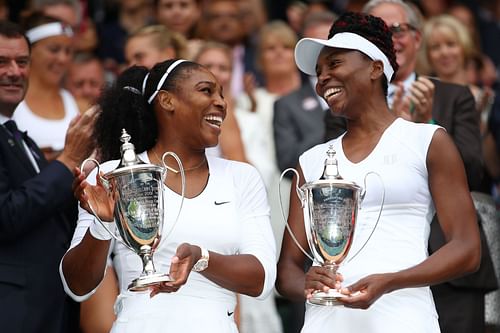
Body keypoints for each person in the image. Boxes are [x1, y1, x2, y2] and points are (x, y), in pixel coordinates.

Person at [276, 11, 481, 332]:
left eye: (334, 64)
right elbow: (287, 268)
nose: (323, 79)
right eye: (318, 73)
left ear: (375, 67)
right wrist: (304, 282)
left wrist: (392, 281)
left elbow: (468, 249)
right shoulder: (311, 161)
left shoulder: (427, 140)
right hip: (326, 322)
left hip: (404, 318)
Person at [60, 59, 277, 332]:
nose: (221, 102)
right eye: (206, 91)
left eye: (221, 93)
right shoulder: (112, 175)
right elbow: (77, 286)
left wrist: (201, 258)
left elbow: (263, 279)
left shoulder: (243, 177)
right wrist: (103, 226)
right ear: (166, 101)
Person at [361, 1, 499, 332]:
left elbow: (475, 171)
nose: (391, 39)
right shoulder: (347, 106)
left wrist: (428, 129)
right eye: (379, 31)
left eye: (398, 30)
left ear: (418, 38)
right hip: (373, 270)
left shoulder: (454, 96)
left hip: (451, 266)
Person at [0, 20, 97, 332]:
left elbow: (44, 214)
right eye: (1, 62)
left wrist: (83, 186)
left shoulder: (18, 137)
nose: (14, 72)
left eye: (22, 62)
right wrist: (67, 159)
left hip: (48, 308)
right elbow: (6, 215)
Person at [13, 11, 79, 161]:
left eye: (68, 51)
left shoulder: (77, 103)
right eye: (54, 49)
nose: (63, 59)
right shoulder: (10, 103)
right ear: (29, 51)